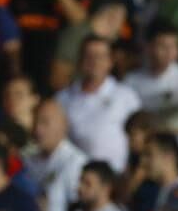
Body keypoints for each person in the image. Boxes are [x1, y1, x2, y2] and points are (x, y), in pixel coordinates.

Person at [56, 34, 141, 173]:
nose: (94, 61)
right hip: (74, 175)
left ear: (110, 62)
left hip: (115, 176)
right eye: (89, 56)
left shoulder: (126, 96)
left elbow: (140, 138)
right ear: (80, 61)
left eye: (100, 56)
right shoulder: (63, 98)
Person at [23, 98, 87, 211]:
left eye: (45, 123)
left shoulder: (76, 162)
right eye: (35, 122)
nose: (38, 129)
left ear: (64, 125)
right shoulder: (27, 159)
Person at [123, 18, 178, 131]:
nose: (170, 52)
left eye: (174, 46)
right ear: (148, 47)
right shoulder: (131, 81)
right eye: (163, 46)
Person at [50, 0, 127, 92]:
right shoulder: (76, 35)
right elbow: (58, 79)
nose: (120, 26)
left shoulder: (114, 40)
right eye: (121, 19)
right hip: (76, 94)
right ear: (112, 17)